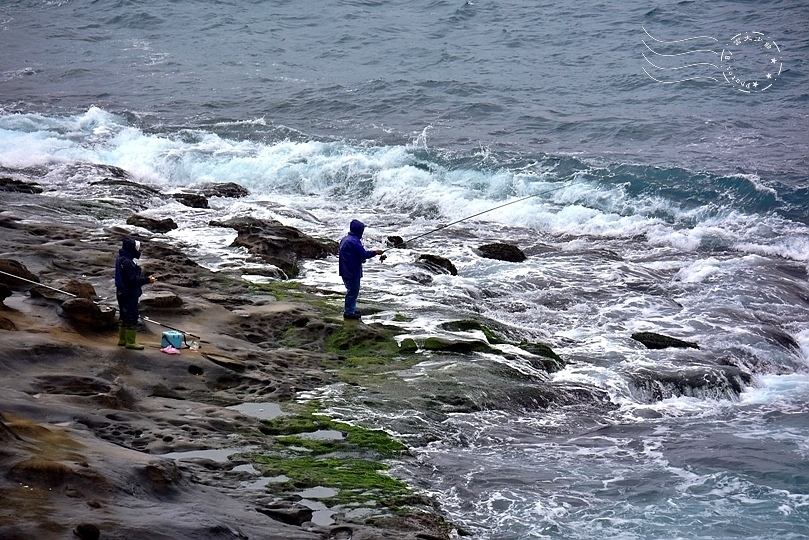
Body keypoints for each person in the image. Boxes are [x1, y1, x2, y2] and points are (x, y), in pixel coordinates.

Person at [115, 237, 156, 349]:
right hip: (129, 292)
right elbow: (132, 280)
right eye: (136, 248)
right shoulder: (128, 262)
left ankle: (122, 340)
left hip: (121, 292)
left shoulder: (120, 259)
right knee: (132, 315)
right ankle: (131, 342)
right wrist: (147, 280)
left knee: (123, 315)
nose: (138, 250)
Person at [338, 219, 382, 319]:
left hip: (344, 269)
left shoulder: (345, 239)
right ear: (359, 231)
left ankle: (351, 309)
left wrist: (359, 259)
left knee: (351, 291)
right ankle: (349, 312)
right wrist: (375, 252)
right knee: (353, 292)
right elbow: (364, 254)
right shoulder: (354, 242)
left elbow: (350, 254)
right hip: (352, 271)